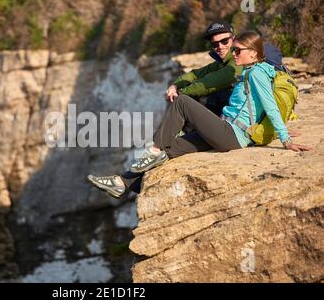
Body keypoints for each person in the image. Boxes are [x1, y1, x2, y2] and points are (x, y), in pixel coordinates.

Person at [88, 31, 312, 199]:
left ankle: (153, 149)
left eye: (238, 50)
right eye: (233, 49)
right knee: (171, 148)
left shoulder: (256, 74)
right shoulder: (248, 72)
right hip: (226, 130)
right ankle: (123, 183)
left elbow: (271, 106)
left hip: (232, 135)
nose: (233, 53)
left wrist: (285, 139)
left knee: (183, 102)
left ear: (253, 53)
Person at [167, 21, 242, 129]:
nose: (220, 47)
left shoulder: (239, 59)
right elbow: (196, 74)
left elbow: (209, 82)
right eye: (215, 44)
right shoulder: (221, 63)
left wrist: (181, 92)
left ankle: (180, 138)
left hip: (241, 121)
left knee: (201, 99)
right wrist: (175, 85)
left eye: (224, 41)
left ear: (234, 39)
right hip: (229, 113)